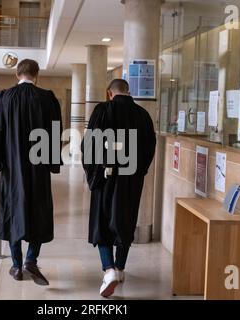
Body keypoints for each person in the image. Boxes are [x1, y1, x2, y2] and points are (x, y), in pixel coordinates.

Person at [0, 59, 62, 286]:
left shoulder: (4, 97)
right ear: (36, 75)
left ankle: (16, 265)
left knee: (13, 212)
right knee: (39, 211)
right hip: (38, 168)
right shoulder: (47, 98)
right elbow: (56, 131)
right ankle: (31, 260)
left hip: (12, 168)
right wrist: (52, 162)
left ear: (17, 74)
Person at [81, 79, 156, 297]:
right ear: (128, 92)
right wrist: (138, 172)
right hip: (131, 180)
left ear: (109, 93)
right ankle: (120, 267)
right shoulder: (142, 115)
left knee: (102, 223)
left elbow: (90, 144)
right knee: (126, 220)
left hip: (106, 177)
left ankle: (109, 269)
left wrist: (93, 172)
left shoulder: (103, 110)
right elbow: (150, 147)